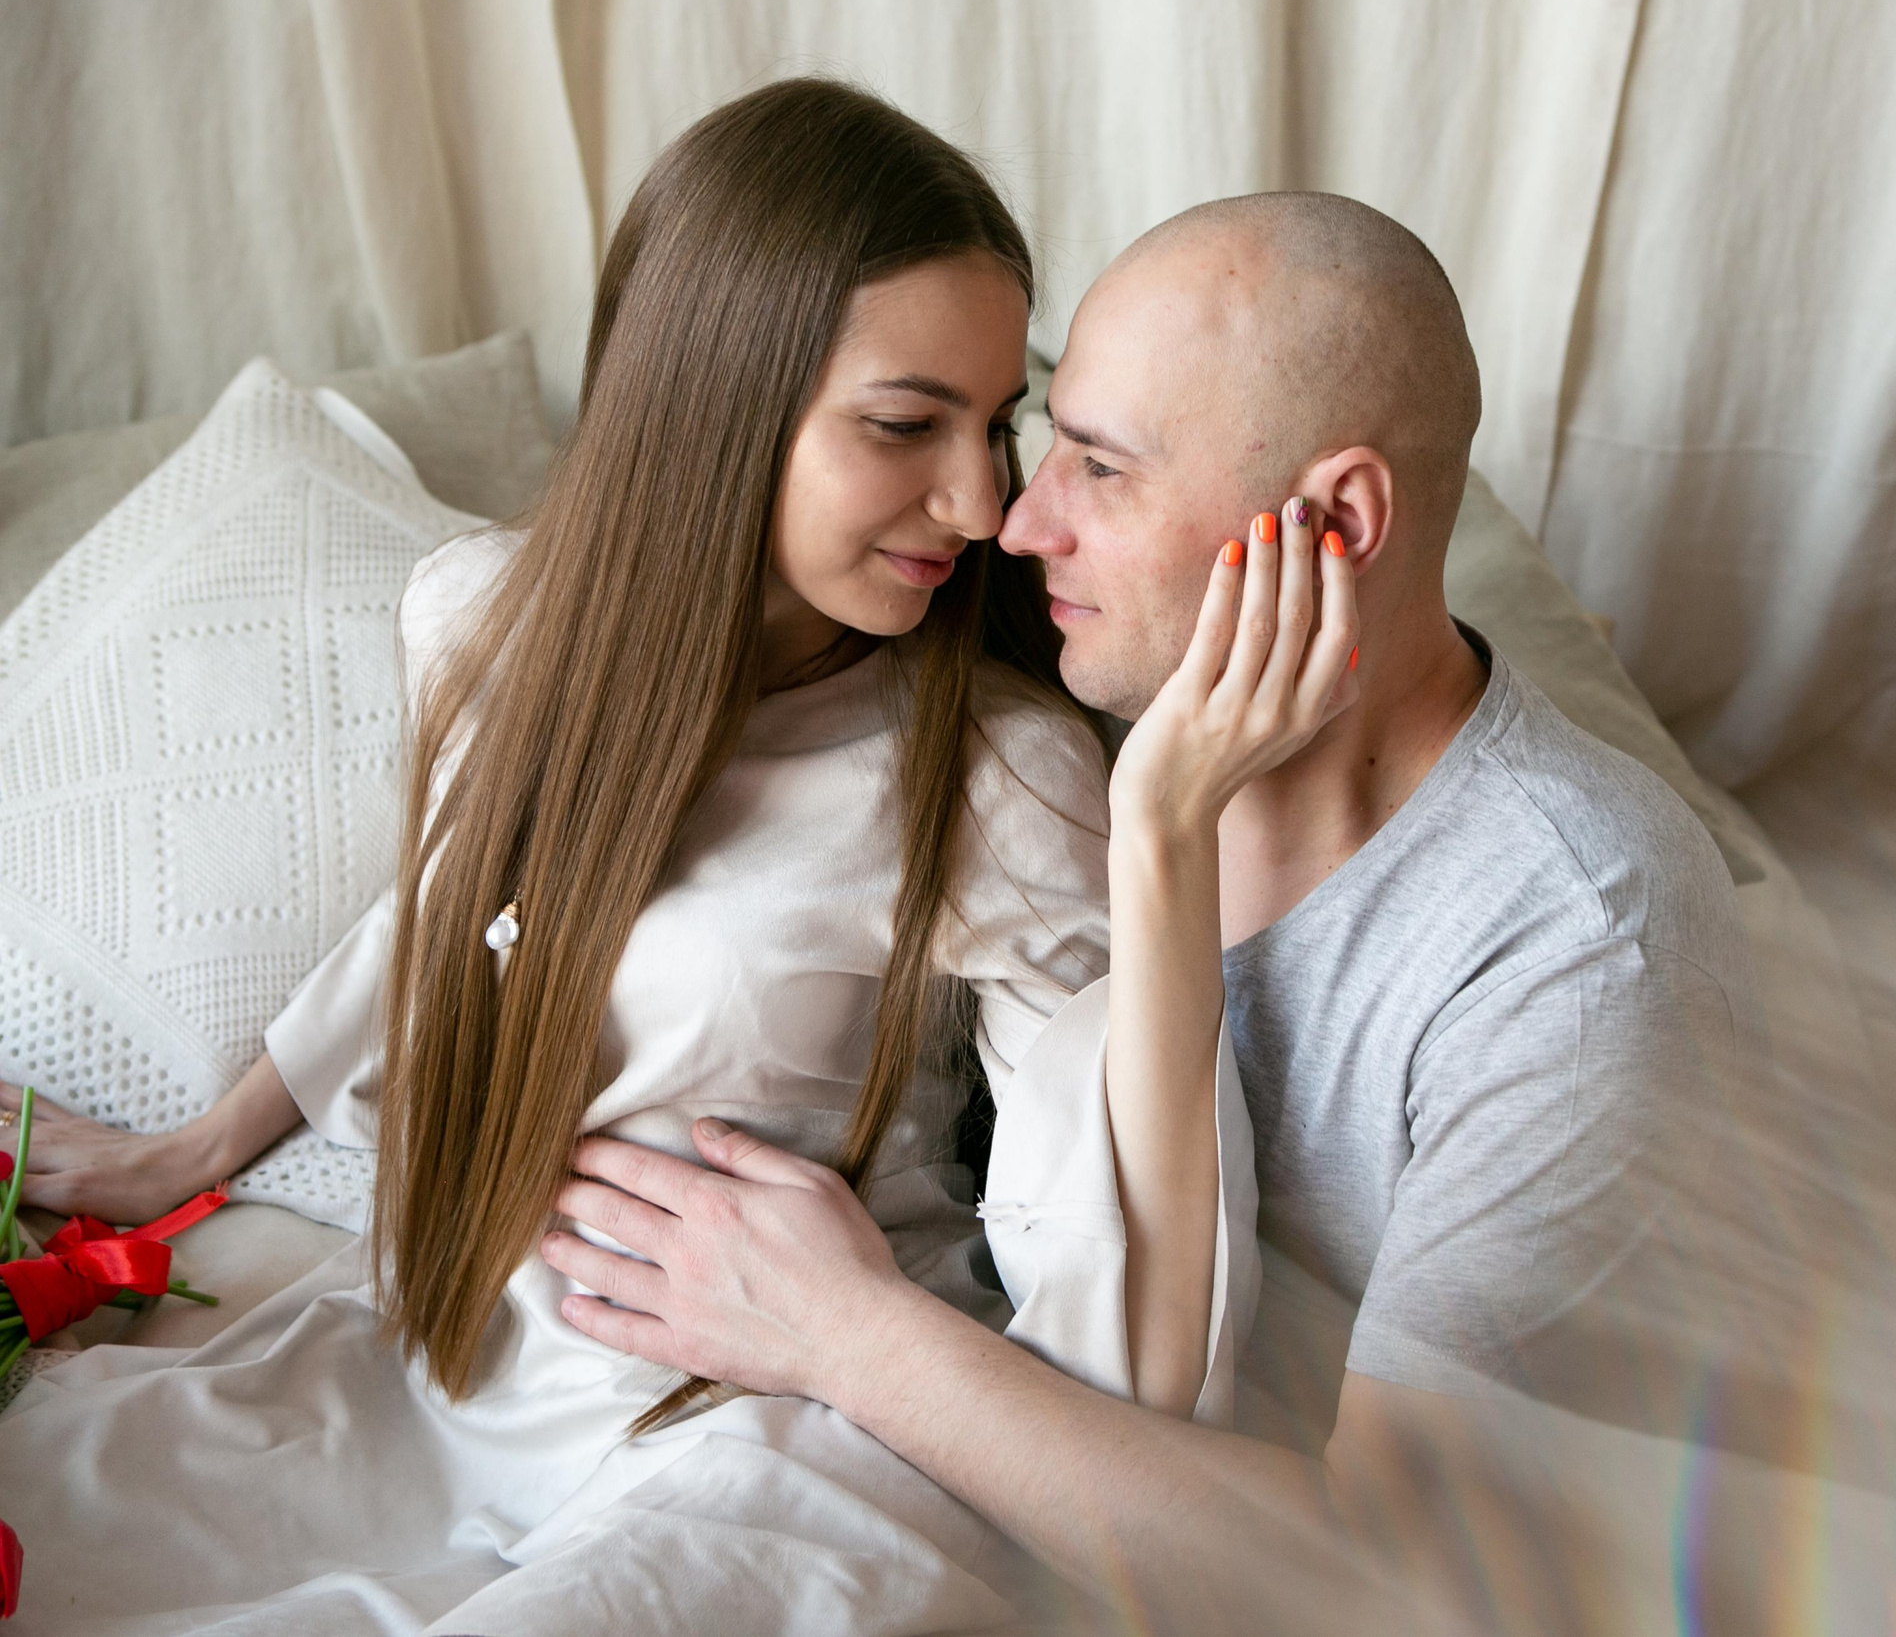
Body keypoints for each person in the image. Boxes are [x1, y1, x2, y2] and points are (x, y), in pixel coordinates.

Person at [0, 82, 1345, 1635]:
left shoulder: (993, 776)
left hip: (770, 1437)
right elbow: (458, 908)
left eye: (1000, 427)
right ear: (716, 398)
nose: (984, 506)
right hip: (451, 1369)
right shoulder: (480, 620)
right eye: (909, 426)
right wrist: (192, 1152)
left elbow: (1143, 1352)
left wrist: (1166, 838)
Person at [543, 191, 1766, 1631]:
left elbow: (1399, 1577)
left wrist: (846, 1336)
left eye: (1103, 469)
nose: (1017, 519)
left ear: (1338, 523)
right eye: (1047, 435)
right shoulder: (1084, 710)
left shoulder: (1574, 943)